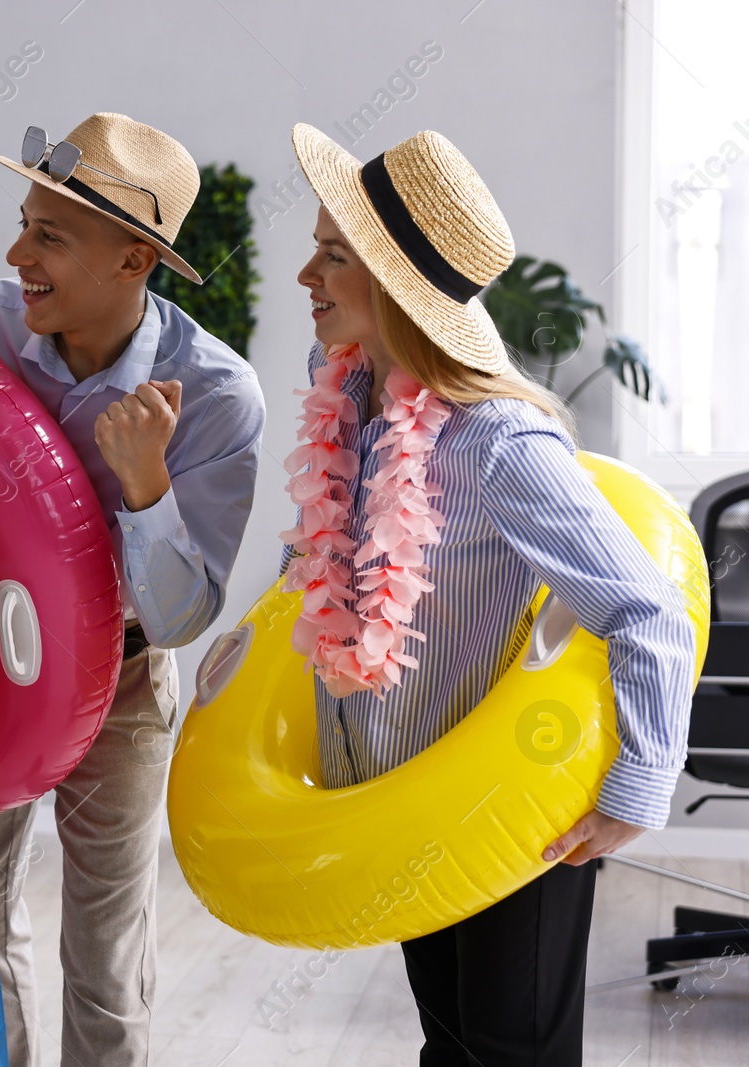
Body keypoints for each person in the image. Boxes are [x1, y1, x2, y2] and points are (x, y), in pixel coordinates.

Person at [283, 122, 695, 1065]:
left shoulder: (498, 442)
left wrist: (637, 788)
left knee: (514, 1055)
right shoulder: (346, 403)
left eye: (330, 253)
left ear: (394, 284)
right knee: (452, 1046)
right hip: (410, 793)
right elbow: (328, 570)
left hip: (512, 803)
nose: (307, 274)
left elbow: (648, 612)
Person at [0, 112, 266, 1066]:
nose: (16, 252)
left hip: (121, 679)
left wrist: (147, 488)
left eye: (50, 234)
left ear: (135, 259)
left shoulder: (213, 395)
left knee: (108, 952)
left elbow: (178, 617)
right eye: (24, 221)